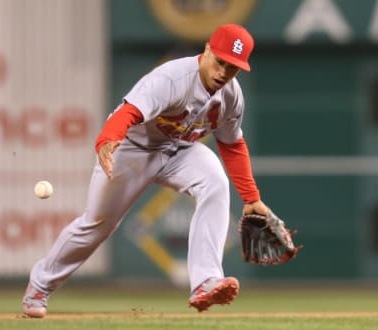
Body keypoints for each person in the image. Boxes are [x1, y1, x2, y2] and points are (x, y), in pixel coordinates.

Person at [22, 23, 274, 318]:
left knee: (215, 181)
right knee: (97, 224)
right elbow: (128, 112)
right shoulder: (173, 78)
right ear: (207, 50)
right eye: (220, 62)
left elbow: (232, 145)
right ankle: (40, 285)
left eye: (233, 68)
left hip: (178, 150)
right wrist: (107, 140)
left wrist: (250, 197)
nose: (224, 73)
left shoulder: (231, 96)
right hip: (132, 148)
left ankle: (206, 281)